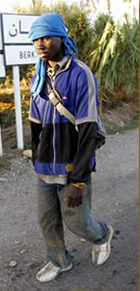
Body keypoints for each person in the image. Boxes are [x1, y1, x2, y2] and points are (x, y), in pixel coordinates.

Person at [28, 13, 114, 283]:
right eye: (35, 40)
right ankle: (59, 260)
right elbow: (35, 122)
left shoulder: (80, 74)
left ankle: (102, 235)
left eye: (46, 38)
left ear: (61, 39)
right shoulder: (38, 78)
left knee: (77, 221)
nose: (40, 44)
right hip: (45, 166)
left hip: (71, 166)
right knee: (46, 221)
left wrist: (78, 180)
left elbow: (88, 129)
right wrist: (36, 156)